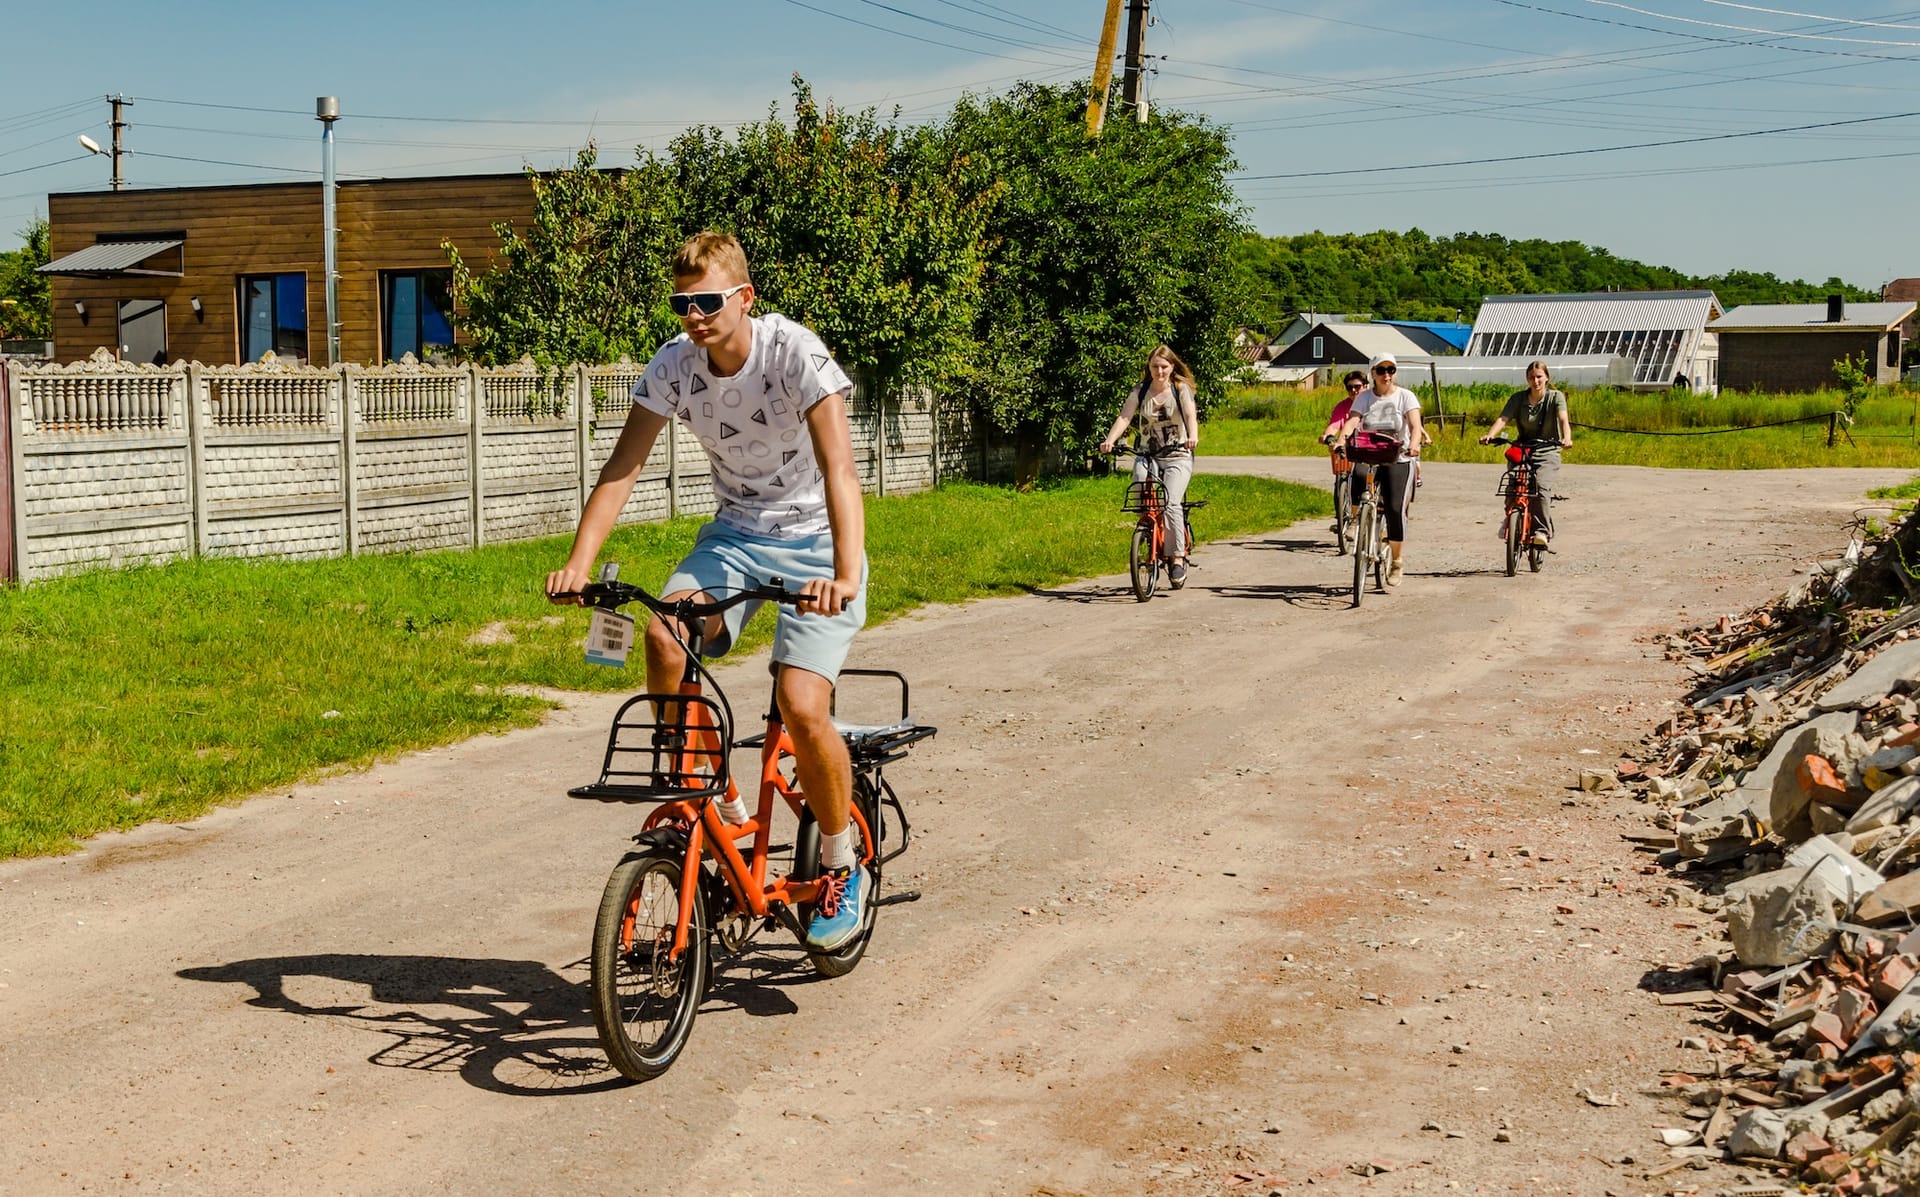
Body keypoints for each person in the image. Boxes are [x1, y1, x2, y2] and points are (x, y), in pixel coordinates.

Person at [545, 231, 871, 953]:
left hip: (817, 543)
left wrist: (845, 574)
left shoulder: (794, 353)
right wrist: (579, 562)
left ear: (744, 298)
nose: (693, 316)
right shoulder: (675, 366)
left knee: (801, 704)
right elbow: (622, 467)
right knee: (664, 634)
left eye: (707, 301)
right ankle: (711, 799)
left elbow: (841, 469)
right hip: (734, 537)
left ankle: (843, 863)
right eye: (681, 303)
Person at [1099, 344, 1201, 587]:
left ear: (1172, 366)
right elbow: (1125, 417)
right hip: (1148, 454)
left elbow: (1190, 415)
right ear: (1149, 367)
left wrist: (1192, 436)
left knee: (1172, 503)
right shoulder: (1141, 390)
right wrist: (1110, 440)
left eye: (1164, 366)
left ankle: (1176, 559)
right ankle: (1148, 530)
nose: (1159, 371)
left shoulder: (1180, 389)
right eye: (1154, 366)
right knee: (1140, 490)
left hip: (1178, 454)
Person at [1331, 351, 1424, 586]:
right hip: (1370, 453)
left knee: (1394, 508)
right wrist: (1342, 440)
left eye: (1390, 370)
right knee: (1356, 475)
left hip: (1398, 457)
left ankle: (1397, 561)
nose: (1386, 375)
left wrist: (1413, 446)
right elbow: (1352, 421)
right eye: (1381, 370)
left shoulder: (1406, 397)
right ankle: (1355, 519)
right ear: (1372, 373)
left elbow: (1415, 426)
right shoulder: (1364, 398)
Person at [1478, 359, 1573, 546]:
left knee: (1540, 486)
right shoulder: (1518, 398)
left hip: (1548, 449)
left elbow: (1563, 419)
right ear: (1527, 379)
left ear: (1546, 378)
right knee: (1512, 483)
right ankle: (1510, 518)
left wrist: (1567, 438)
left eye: (1539, 377)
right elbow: (1503, 418)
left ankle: (1541, 531)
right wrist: (1490, 435)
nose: (1535, 381)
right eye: (1531, 377)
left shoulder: (1555, 397)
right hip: (1523, 448)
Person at [1320, 370, 1366, 532]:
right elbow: (1334, 425)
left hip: (1368, 449)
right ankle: (1342, 517)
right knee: (1342, 479)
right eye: (1350, 387)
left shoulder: (1372, 403)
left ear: (1365, 386)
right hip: (1348, 449)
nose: (1354, 390)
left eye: (1358, 386)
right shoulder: (1343, 406)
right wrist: (1328, 436)